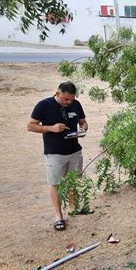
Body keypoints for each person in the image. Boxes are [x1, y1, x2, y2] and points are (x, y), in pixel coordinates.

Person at [27, 82, 88, 231]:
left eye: (71, 99)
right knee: (55, 184)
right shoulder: (43, 105)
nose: (69, 102)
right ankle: (58, 216)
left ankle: (73, 208)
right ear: (57, 93)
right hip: (54, 153)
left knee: (72, 181)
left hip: (74, 151)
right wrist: (51, 128)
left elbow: (83, 122)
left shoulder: (76, 104)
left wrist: (83, 129)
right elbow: (30, 126)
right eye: (66, 99)